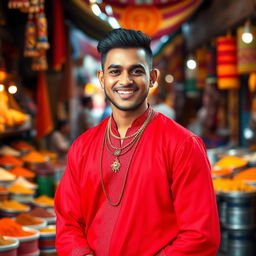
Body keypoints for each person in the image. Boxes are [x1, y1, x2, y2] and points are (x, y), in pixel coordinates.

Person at [55, 28, 220, 256]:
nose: (125, 80)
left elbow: (200, 235)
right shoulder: (82, 147)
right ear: (102, 79)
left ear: (152, 78)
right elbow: (68, 222)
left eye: (136, 71)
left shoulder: (183, 145)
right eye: (115, 71)